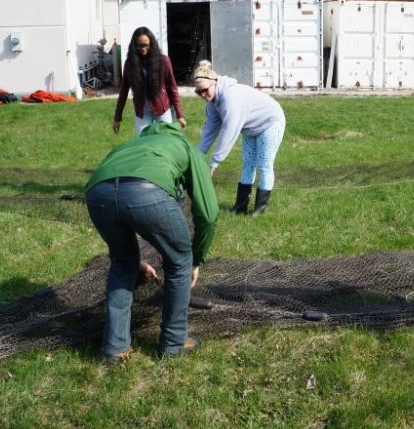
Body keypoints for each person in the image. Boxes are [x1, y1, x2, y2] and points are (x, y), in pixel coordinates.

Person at [85, 121, 218, 363]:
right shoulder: (186, 146)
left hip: (96, 194)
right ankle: (173, 343)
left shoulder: (128, 146)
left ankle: (115, 350)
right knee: (179, 262)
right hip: (147, 191)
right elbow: (208, 214)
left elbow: (118, 196)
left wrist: (130, 258)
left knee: (123, 264)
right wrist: (195, 260)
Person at [193, 60, 286, 215]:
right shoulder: (213, 103)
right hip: (250, 128)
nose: (202, 95)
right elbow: (209, 131)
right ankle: (240, 207)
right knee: (248, 164)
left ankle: (260, 209)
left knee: (264, 165)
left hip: (270, 122)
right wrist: (197, 156)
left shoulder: (231, 101)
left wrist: (213, 164)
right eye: (198, 92)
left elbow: (229, 133)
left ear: (214, 83)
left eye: (204, 90)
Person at [113, 27, 187, 137]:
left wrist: (179, 115)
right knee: (143, 144)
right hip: (142, 112)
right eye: (139, 45)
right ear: (134, 46)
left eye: (146, 45)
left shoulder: (163, 61)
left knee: (166, 141)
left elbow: (172, 87)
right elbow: (123, 92)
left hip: (163, 110)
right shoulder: (129, 64)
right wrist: (117, 118)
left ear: (151, 44)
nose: (143, 48)